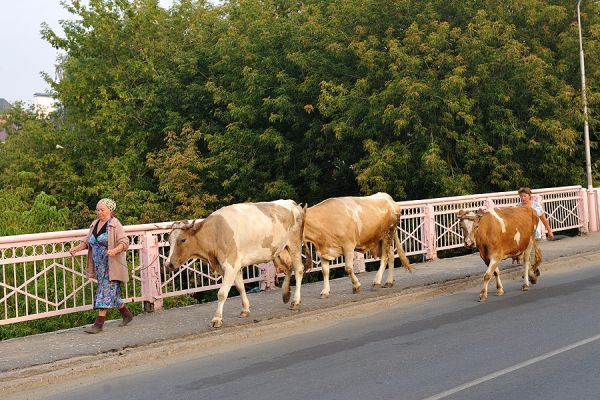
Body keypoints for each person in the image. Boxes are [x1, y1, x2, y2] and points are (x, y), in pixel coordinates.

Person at [69, 198, 133, 333]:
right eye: (98, 210)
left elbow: (124, 242)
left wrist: (114, 250)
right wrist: (76, 248)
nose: (100, 212)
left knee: (104, 291)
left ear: (110, 210)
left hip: (111, 265)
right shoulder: (94, 224)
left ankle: (98, 324)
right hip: (98, 266)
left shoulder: (115, 224)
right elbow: (87, 242)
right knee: (112, 293)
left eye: (102, 210)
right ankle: (127, 314)